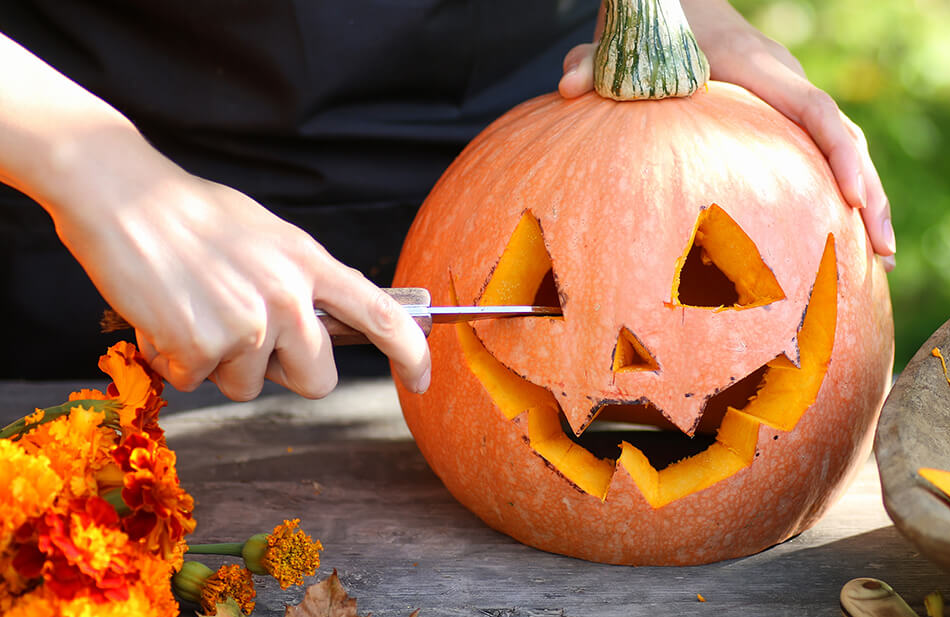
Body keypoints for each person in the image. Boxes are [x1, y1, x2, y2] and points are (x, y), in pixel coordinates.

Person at [0, 0, 893, 402]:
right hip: (90, 196)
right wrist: (91, 167)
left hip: (532, 134)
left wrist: (677, 10)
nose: (632, 350)